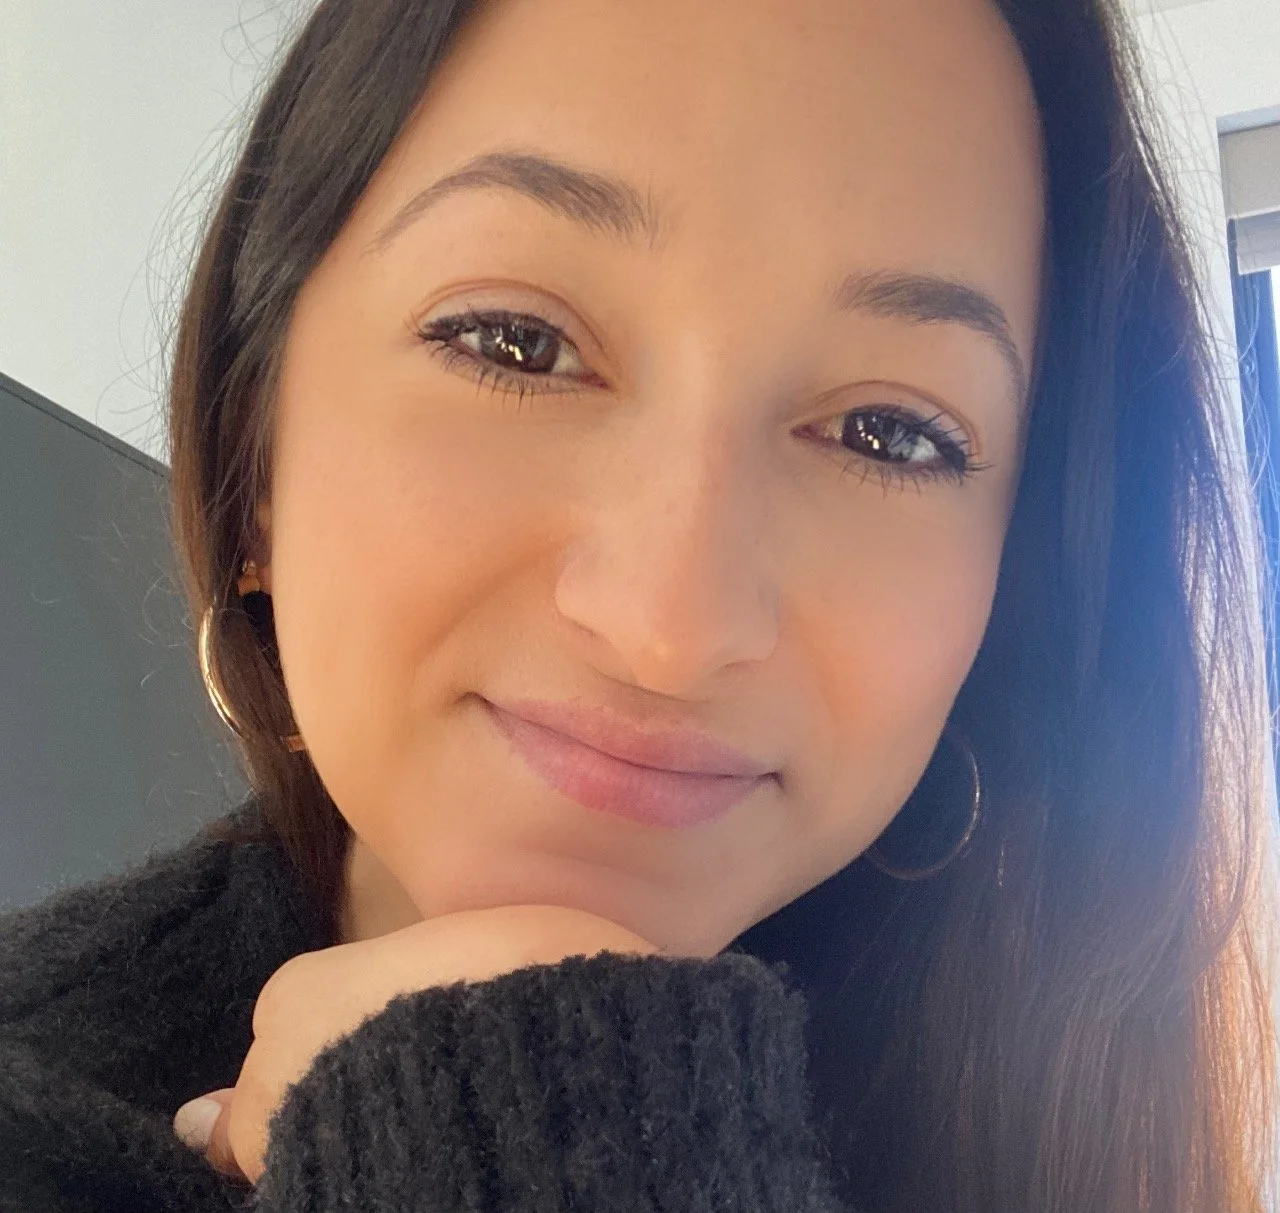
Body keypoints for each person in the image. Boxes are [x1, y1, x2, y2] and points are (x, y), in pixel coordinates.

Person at [2, 0, 1276, 1208]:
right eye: (515, 342)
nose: (671, 624)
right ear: (254, 442)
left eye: (889, 433)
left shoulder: (1100, 1132)